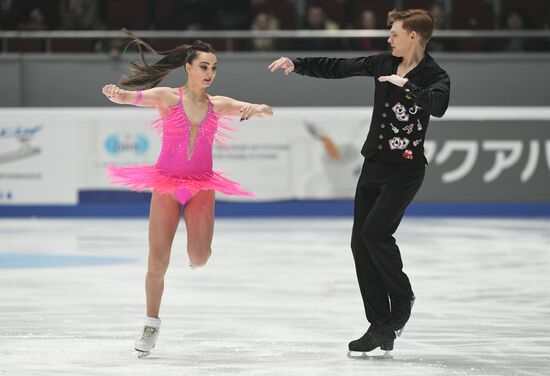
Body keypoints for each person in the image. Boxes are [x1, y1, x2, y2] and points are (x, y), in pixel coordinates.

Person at [269, 9, 450, 355]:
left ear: (413, 36)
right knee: (359, 242)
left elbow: (438, 105)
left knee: (375, 233)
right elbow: (340, 67)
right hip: (374, 165)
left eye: (394, 33)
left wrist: (407, 86)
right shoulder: (383, 62)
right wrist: (298, 63)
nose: (389, 39)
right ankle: (379, 325)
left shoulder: (435, 75)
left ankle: (402, 297)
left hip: (405, 170)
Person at [102, 30, 273, 357]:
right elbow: (136, 98)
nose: (210, 73)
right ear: (189, 68)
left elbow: (245, 107)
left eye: (215, 68)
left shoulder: (217, 104)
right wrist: (117, 94)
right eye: (205, 66)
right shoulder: (169, 98)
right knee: (158, 260)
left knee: (199, 256)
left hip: (201, 188)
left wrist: (261, 109)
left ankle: (198, 256)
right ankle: (151, 324)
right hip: (167, 184)